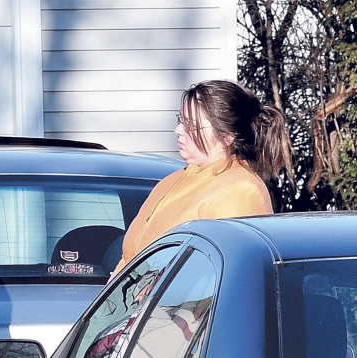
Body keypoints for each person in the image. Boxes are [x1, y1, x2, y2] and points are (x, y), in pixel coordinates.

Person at [112, 79, 287, 274]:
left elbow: (219, 277)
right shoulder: (170, 181)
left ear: (226, 137)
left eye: (191, 126)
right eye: (181, 120)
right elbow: (129, 259)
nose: (178, 130)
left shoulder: (240, 190)